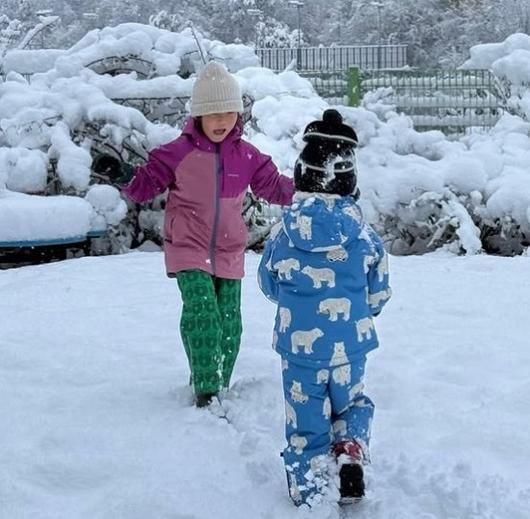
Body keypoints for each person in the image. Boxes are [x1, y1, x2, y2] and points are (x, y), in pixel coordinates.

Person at [93, 61, 293, 408]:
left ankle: (219, 380)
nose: (220, 121)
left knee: (230, 325)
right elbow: (144, 186)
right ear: (198, 115)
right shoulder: (178, 153)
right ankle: (206, 390)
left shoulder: (248, 157)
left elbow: (275, 188)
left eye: (227, 112)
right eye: (212, 113)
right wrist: (123, 173)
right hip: (188, 245)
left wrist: (312, 188)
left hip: (229, 249)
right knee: (202, 311)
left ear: (237, 113)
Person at [257, 109, 391, 507]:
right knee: (351, 404)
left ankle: (312, 489)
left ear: (301, 175)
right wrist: (360, 312)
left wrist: (297, 303)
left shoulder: (284, 235)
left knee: (306, 420)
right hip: (351, 345)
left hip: (300, 353)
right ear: (351, 183)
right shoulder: (365, 237)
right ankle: (349, 451)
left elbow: (269, 283)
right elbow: (379, 293)